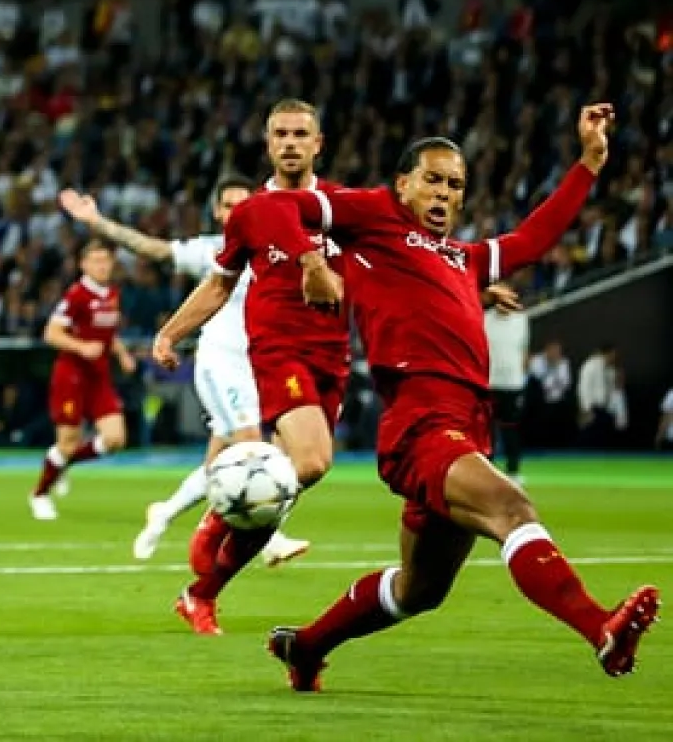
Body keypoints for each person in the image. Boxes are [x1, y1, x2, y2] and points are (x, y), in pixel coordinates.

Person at [224, 105, 658, 688]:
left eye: (455, 184)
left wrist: (589, 162)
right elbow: (264, 207)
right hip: (421, 420)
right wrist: (310, 260)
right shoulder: (374, 217)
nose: (443, 192)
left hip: (466, 422)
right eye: (431, 178)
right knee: (513, 508)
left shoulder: (464, 258)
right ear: (402, 183)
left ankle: (306, 647)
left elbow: (533, 237)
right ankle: (601, 631)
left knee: (420, 589)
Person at [149, 100, 349, 634]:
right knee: (304, 464)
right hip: (279, 352)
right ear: (267, 144)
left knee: (288, 482)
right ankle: (222, 508)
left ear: (317, 143)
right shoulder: (251, 214)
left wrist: (472, 283)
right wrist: (171, 331)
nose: (289, 142)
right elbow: (218, 284)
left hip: (333, 356)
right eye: (280, 133)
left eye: (300, 134)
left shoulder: (343, 207)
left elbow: (398, 261)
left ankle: (201, 593)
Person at [57, 176, 309, 567]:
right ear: (216, 211)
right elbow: (151, 249)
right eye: (227, 205)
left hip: (257, 365)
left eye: (242, 204)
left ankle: (164, 512)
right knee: (251, 445)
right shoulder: (212, 250)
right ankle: (269, 538)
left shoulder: (275, 250)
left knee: (219, 463)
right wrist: (97, 222)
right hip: (218, 361)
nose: (234, 212)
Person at [30, 239, 136, 521]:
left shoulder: (112, 293)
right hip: (72, 376)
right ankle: (39, 494)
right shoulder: (76, 295)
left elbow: (107, 333)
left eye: (106, 260)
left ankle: (61, 465)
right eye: (96, 261)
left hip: (99, 376)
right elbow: (51, 333)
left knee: (115, 439)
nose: (103, 266)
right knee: (67, 441)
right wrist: (81, 347)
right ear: (84, 265)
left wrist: (122, 354)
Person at [484, 275, 530, 483]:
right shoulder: (484, 319)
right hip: (489, 383)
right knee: (487, 433)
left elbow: (524, 351)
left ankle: (513, 471)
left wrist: (522, 377)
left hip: (513, 384)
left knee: (511, 430)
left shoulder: (522, 320)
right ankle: (488, 472)